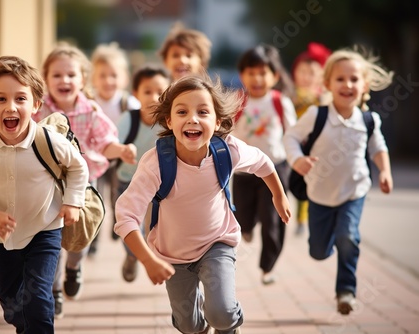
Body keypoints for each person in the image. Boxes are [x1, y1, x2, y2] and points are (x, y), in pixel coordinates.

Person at [114, 75, 291, 334]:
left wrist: (278, 194)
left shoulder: (227, 151)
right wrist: (147, 260)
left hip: (217, 243)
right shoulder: (156, 163)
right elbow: (126, 216)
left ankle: (227, 325)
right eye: (182, 111)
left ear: (217, 121)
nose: (193, 118)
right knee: (189, 324)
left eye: (203, 112)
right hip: (171, 254)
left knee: (221, 312)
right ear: (169, 120)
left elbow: (263, 162)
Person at [0, 55, 89, 333]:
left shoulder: (48, 139)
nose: (11, 107)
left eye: (20, 99)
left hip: (45, 229)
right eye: (0, 99)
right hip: (1, 236)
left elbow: (78, 167)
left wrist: (72, 202)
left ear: (36, 104)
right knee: (12, 304)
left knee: (39, 300)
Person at [283, 47, 394, 315]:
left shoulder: (369, 120)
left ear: (364, 85)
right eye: (340, 79)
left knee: (348, 236)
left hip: (354, 192)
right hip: (319, 195)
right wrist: (297, 161)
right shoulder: (316, 115)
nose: (348, 84)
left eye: (354, 79)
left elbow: (378, 148)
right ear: (328, 84)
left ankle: (346, 290)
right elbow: (290, 138)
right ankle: (328, 244)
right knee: (318, 251)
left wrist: (386, 171)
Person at [33, 43, 136, 319]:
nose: (64, 80)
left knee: (80, 237)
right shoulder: (37, 108)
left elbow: (105, 142)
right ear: (46, 78)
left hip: (82, 184)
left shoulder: (90, 111)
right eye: (56, 75)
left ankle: (74, 267)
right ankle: (54, 291)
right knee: (50, 238)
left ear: (82, 79)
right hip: (47, 186)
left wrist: (121, 151)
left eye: (71, 75)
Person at [232, 44, 297, 285]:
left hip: (276, 168)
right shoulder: (237, 101)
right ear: (242, 75)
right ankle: (247, 228)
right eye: (251, 72)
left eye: (263, 72)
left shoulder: (280, 103)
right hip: (243, 170)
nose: (257, 78)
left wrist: (298, 160)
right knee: (243, 217)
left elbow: (292, 135)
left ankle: (268, 267)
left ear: (275, 76)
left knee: (272, 219)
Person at [115, 65, 170, 282]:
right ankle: (132, 255)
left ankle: (151, 258)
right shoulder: (128, 119)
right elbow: (114, 144)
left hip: (156, 185)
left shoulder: (170, 121)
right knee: (126, 223)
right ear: (135, 94)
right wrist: (122, 153)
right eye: (147, 91)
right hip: (126, 180)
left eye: (160, 91)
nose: (154, 97)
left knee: (151, 229)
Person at [90, 42, 141, 245]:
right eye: (102, 75)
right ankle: (92, 239)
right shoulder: (90, 101)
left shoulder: (128, 103)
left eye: (113, 75)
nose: (108, 80)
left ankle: (116, 224)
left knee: (116, 196)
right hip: (95, 157)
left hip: (119, 157)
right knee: (95, 197)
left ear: (124, 78)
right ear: (94, 78)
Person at [290, 42, 332, 236]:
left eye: (311, 72)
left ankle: (303, 219)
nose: (306, 77)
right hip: (292, 146)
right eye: (302, 71)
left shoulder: (325, 98)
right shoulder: (290, 95)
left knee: (309, 184)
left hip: (316, 148)